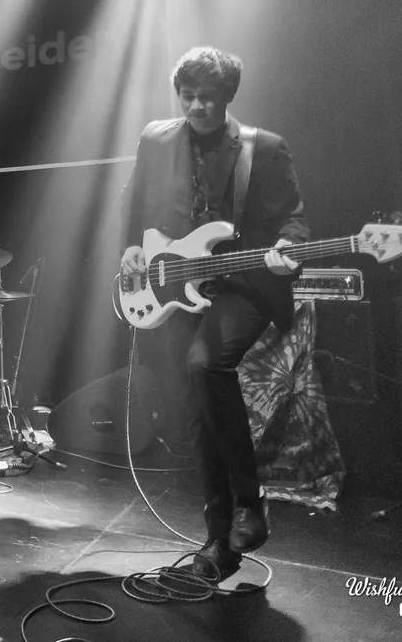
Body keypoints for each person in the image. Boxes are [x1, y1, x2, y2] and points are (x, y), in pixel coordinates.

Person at [118, 47, 308, 582]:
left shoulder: (263, 148)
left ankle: (251, 501)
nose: (196, 106)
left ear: (227, 97)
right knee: (198, 410)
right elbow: (135, 200)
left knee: (206, 364)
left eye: (207, 97)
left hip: (244, 283)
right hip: (178, 286)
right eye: (188, 96)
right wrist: (131, 247)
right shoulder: (157, 139)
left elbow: (293, 219)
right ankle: (218, 544)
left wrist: (288, 248)